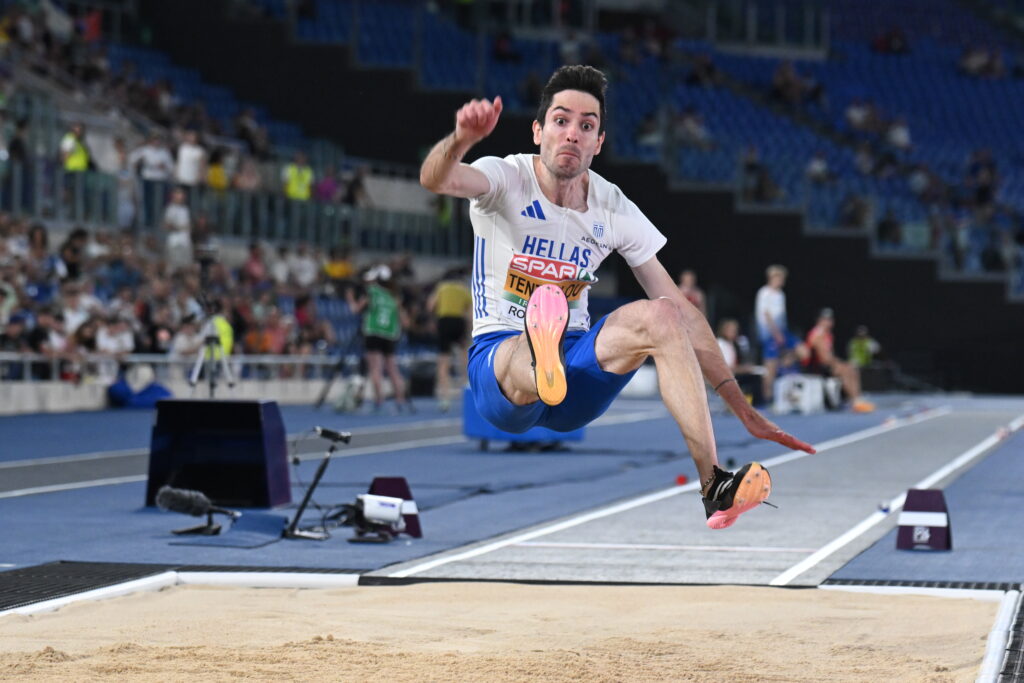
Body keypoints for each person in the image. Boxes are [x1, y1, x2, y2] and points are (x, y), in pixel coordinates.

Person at [419, 65, 814, 530]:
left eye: (586, 126)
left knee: (665, 315)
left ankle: (715, 486)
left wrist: (742, 407)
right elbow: (436, 179)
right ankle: (538, 351)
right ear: (537, 130)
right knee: (527, 339)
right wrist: (462, 139)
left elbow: (684, 315)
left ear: (599, 142)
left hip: (576, 370)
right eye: (561, 121)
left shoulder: (612, 205)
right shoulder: (505, 177)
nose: (572, 134)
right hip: (501, 370)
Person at [346, 265, 411, 413]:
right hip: (390, 334)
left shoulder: (372, 292)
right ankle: (400, 400)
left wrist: (350, 298)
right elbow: (405, 321)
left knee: (375, 368)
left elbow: (356, 310)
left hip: (373, 332)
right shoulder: (394, 296)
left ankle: (379, 400)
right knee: (392, 368)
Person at [802, 308, 875, 413]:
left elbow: (830, 356)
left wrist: (841, 363)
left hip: (826, 365)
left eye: (830, 319)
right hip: (815, 368)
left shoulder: (828, 334)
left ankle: (857, 399)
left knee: (851, 368)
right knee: (844, 370)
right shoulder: (818, 335)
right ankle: (855, 401)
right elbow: (824, 359)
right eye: (825, 319)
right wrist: (839, 364)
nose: (829, 322)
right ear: (819, 321)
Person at [428, 266, 473, 412]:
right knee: (463, 357)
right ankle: (467, 389)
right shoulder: (463, 289)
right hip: (459, 322)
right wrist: (468, 329)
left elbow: (430, 306)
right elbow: (470, 313)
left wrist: (434, 319)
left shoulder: (442, 287)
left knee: (443, 361)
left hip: (444, 321)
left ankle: (444, 398)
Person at [755, 264, 801, 406]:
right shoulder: (764, 293)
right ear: (772, 277)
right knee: (770, 368)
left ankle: (786, 364)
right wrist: (776, 334)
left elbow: (782, 317)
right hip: (769, 334)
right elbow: (767, 315)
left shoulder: (781, 294)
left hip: (783, 331)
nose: (782, 281)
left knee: (803, 350)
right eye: (780, 277)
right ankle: (767, 400)